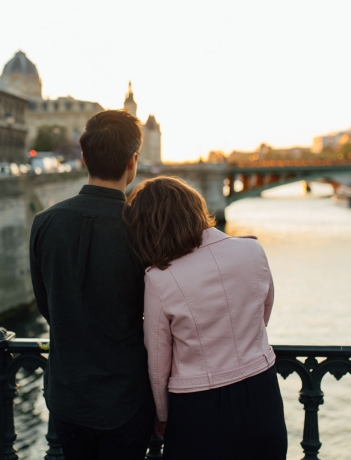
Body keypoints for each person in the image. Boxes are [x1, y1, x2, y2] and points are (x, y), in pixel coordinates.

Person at [125, 176, 287, 460]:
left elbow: (158, 362)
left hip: (198, 405)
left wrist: (162, 415)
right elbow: (264, 312)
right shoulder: (252, 250)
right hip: (261, 391)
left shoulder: (160, 279)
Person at [29, 110, 154, 459]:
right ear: (133, 162)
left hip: (67, 395)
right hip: (125, 396)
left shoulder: (45, 222)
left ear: (84, 158)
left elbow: (46, 304)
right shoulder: (140, 227)